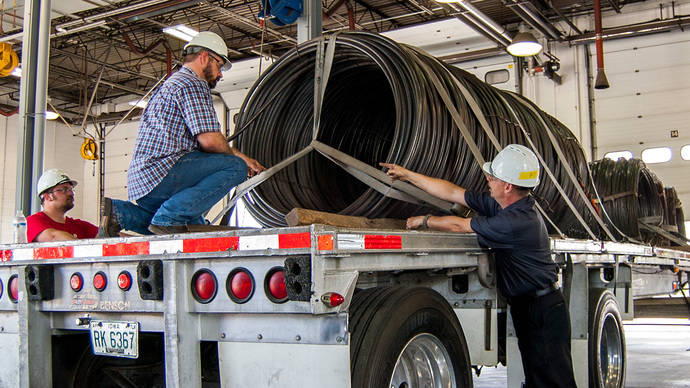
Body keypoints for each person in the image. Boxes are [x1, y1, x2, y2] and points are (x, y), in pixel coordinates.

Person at [380, 144, 577, 388]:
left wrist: (426, 220)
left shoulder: (515, 222)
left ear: (508, 186)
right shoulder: (508, 205)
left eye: (493, 176)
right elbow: (453, 193)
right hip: (532, 309)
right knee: (538, 380)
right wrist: (407, 174)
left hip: (542, 312)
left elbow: (460, 226)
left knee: (553, 383)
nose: (488, 178)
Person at [99, 31, 264, 237]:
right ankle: (168, 217)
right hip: (162, 173)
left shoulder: (171, 83)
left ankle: (120, 213)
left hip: (143, 183)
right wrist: (242, 160)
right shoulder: (192, 84)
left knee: (191, 231)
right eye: (219, 65)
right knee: (234, 168)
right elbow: (210, 141)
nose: (221, 74)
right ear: (204, 57)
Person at [27, 169, 98, 242]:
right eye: (64, 189)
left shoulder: (80, 226)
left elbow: (106, 237)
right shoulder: (32, 222)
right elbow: (53, 237)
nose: (71, 193)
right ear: (47, 197)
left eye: (71, 189)